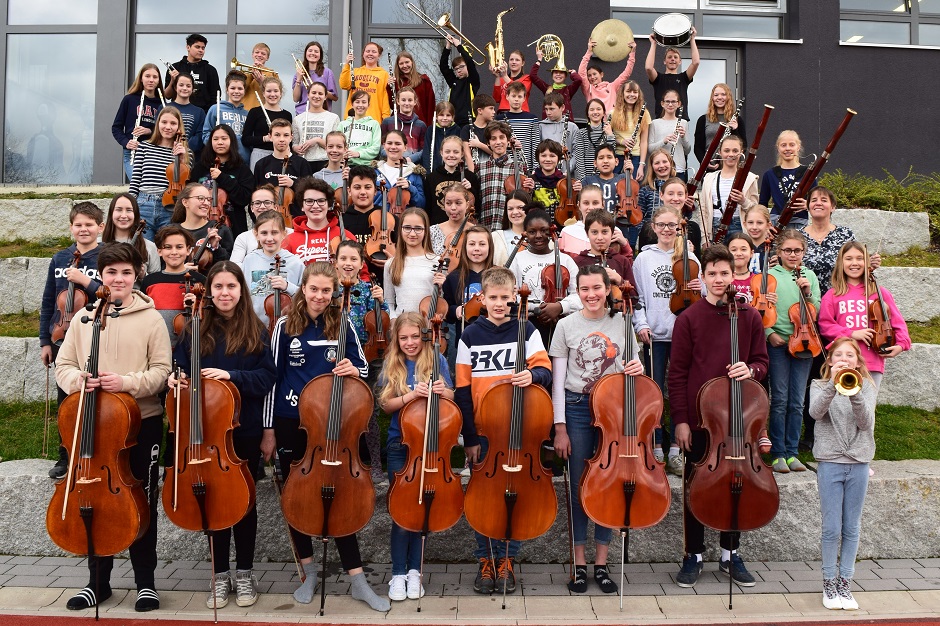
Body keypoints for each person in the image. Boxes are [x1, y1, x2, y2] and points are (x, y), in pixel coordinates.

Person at [263, 261, 390, 612]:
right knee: (298, 499)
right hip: (294, 421)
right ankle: (309, 573)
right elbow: (273, 378)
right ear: (303, 288)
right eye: (314, 289)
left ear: (334, 292)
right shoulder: (285, 325)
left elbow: (364, 367)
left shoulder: (344, 322)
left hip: (337, 425)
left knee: (343, 497)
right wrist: (269, 429)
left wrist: (353, 367)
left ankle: (358, 580)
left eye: (326, 290)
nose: (320, 296)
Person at [57, 242, 172, 612]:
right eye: (111, 273)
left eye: (125, 272)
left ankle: (146, 583)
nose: (118, 279)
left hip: (141, 423)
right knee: (95, 500)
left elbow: (160, 373)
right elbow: (64, 367)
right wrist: (79, 382)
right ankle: (97, 582)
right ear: (101, 277)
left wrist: (125, 383)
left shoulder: (152, 319)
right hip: (94, 423)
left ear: (136, 274)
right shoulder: (84, 318)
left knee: (143, 502)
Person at [168, 261, 276, 609]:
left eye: (231, 286)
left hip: (242, 430)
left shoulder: (256, 330)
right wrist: (176, 378)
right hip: (203, 433)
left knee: (243, 503)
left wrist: (231, 376)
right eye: (218, 287)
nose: (225, 293)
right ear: (209, 292)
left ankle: (244, 573)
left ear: (241, 290)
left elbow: (267, 379)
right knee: (211, 500)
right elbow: (180, 369)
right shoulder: (193, 329)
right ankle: (218, 575)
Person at [668, 244, 768, 589]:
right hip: (700, 420)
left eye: (724, 273)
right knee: (695, 485)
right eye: (711, 274)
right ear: (702, 277)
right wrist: (680, 419)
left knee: (736, 483)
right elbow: (677, 374)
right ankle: (693, 554)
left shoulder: (749, 316)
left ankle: (730, 553)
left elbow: (763, 362)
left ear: (732, 275)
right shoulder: (688, 319)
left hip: (738, 419)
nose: (718, 279)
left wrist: (750, 369)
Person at [455, 266, 552, 594]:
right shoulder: (469, 335)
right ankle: (485, 560)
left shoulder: (527, 330)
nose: (499, 303)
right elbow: (462, 391)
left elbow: (545, 369)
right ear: (481, 298)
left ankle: (508, 559)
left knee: (515, 494)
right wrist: (468, 437)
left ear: (515, 297)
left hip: (519, 430)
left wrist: (533, 376)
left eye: (504, 298)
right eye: (492, 297)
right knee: (483, 497)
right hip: (484, 433)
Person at [550, 264, 642, 594]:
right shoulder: (565, 326)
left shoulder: (622, 320)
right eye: (585, 289)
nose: (591, 295)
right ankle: (579, 565)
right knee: (578, 486)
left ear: (607, 290)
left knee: (608, 484)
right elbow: (558, 384)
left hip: (613, 410)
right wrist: (560, 427)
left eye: (597, 289)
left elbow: (634, 368)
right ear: (578, 291)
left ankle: (601, 564)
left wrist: (637, 365)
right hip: (576, 408)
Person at [376, 312, 454, 601]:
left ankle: (414, 572)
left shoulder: (437, 360)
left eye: (414, 337)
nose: (409, 343)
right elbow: (385, 405)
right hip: (402, 447)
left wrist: (441, 391)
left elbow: (452, 396)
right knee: (401, 513)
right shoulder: (393, 365)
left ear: (424, 336)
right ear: (397, 339)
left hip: (431, 447)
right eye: (403, 337)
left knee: (422, 513)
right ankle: (397, 573)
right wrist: (410, 395)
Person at [809, 337, 876, 611]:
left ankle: (845, 582)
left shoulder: (868, 387)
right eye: (839, 355)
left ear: (858, 362)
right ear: (830, 361)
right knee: (831, 528)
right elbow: (815, 413)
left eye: (850, 355)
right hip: (830, 462)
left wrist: (855, 392)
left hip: (859, 462)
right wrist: (832, 388)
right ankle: (828, 581)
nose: (844, 359)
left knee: (852, 527)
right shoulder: (818, 385)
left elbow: (866, 422)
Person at [633, 200, 702, 467]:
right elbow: (638, 297)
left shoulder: (690, 255)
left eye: (671, 225)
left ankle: (676, 447)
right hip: (655, 334)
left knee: (681, 391)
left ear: (679, 227)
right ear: (653, 227)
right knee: (654, 391)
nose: (666, 229)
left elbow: (701, 294)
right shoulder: (644, 258)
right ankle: (656, 443)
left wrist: (702, 287)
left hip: (683, 335)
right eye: (661, 225)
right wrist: (641, 325)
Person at [39, 202, 104, 479]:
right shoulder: (59, 259)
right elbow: (47, 302)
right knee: (64, 398)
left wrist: (84, 281)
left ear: (100, 227)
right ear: (71, 228)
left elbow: (110, 292)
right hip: (61, 337)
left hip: (95, 335)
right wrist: (45, 340)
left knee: (96, 397)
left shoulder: (106, 257)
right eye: (78, 224)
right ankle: (65, 455)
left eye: (89, 224)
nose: (84, 229)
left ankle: (96, 452)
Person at [818, 242, 909, 389]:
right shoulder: (832, 295)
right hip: (842, 362)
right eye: (849, 258)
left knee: (866, 409)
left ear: (867, 263)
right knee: (840, 408)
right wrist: (852, 333)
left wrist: (901, 344)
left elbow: (898, 323)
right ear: (841, 263)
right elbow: (825, 326)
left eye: (859, 258)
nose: (854, 263)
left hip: (872, 361)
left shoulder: (880, 292)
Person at [766, 229, 820, 473]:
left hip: (804, 343)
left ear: (804, 252)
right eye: (787, 250)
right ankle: (778, 453)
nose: (792, 254)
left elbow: (816, 309)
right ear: (779, 252)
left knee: (797, 401)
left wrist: (807, 292)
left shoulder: (810, 276)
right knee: (779, 399)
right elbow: (761, 309)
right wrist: (770, 334)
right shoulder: (770, 275)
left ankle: (792, 451)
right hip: (779, 343)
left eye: (797, 250)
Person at [333, 239, 387, 484]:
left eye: (353, 259)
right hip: (334, 356)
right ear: (335, 263)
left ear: (361, 264)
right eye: (343, 259)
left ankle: (374, 462)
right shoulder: (329, 289)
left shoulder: (367, 290)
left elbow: (381, 322)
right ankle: (343, 459)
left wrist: (380, 300)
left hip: (366, 356)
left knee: (368, 410)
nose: (348, 263)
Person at [508, 209, 581, 343]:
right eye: (532, 231)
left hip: (563, 322)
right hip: (528, 323)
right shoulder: (517, 259)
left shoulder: (566, 260)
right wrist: (540, 309)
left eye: (543, 230)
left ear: (551, 230)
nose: (538, 235)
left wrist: (560, 307)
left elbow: (579, 295)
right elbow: (511, 296)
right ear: (525, 233)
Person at [129, 107, 190, 241]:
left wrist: (182, 159)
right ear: (158, 124)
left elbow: (185, 183)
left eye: (173, 123)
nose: (168, 127)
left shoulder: (184, 152)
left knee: (167, 249)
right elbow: (135, 180)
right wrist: (130, 206)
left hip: (169, 206)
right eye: (164, 122)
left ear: (179, 127)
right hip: (144, 203)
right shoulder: (144, 147)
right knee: (143, 252)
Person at [140, 225, 205, 345]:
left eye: (179, 247)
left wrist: (198, 305)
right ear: (159, 251)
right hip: (157, 344)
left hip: (191, 344)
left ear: (188, 250)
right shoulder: (150, 281)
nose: (174, 252)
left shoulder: (200, 280)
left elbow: (208, 314)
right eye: (168, 247)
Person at [241, 210, 304, 328]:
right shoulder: (250, 260)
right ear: (256, 234)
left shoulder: (295, 263)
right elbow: (244, 293)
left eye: (274, 232)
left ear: (284, 234)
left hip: (288, 326)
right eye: (264, 233)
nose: (269, 238)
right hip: (255, 326)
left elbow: (305, 296)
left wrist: (287, 286)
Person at [442, 225, 494, 368]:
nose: (476, 248)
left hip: (493, 338)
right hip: (465, 339)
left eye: (482, 244)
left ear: (490, 247)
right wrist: (456, 310)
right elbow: (447, 309)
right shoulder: (454, 277)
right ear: (465, 247)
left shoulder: (497, 275)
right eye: (472, 244)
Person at [189, 125, 254, 238]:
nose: (220, 142)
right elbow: (189, 194)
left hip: (233, 226)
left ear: (232, 141)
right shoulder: (200, 167)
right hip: (201, 225)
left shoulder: (242, 169)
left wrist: (222, 178)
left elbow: (244, 198)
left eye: (224, 139)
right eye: (215, 139)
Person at [699, 134, 758, 243]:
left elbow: (756, 210)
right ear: (720, 152)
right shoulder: (709, 178)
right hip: (715, 226)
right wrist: (704, 239)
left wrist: (743, 201)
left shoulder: (750, 178)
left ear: (741, 153)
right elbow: (703, 211)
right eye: (726, 151)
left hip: (740, 226)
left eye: (735, 151)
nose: (731, 154)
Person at [283, 177, 354, 265]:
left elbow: (362, 273)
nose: (315, 205)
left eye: (321, 201)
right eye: (309, 201)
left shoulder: (345, 236)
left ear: (329, 205)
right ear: (302, 206)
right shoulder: (289, 240)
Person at [384, 207, 439, 318]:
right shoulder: (391, 264)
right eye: (407, 228)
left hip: (428, 325)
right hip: (402, 325)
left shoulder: (437, 261)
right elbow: (388, 301)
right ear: (401, 229)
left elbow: (442, 300)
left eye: (418, 229)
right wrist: (393, 319)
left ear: (425, 231)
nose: (412, 233)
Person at [252, 119, 313, 217]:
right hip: (267, 219)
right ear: (270, 137)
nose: (281, 139)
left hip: (295, 219)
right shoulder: (261, 164)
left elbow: (311, 193)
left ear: (291, 138)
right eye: (277, 135)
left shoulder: (302, 163)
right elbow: (255, 195)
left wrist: (293, 183)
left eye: (286, 135)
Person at [113, 64, 163, 181]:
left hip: (153, 151)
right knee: (138, 186)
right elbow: (116, 127)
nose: (151, 80)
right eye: (147, 76)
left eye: (155, 77)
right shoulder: (129, 99)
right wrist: (126, 142)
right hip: (133, 152)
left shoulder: (162, 103)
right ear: (141, 78)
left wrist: (149, 131)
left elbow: (165, 130)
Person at [569, 208, 636, 295]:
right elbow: (573, 295)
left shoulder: (622, 261)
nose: (600, 237)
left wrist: (619, 280)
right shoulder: (577, 262)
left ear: (612, 233)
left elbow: (634, 298)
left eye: (604, 232)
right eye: (594, 232)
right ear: (587, 233)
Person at [423, 134, 480, 225]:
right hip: (439, 225)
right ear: (441, 153)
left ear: (462, 154)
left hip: (464, 225)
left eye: (456, 152)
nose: (451, 155)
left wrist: (470, 190)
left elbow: (477, 205)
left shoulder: (470, 177)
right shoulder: (431, 178)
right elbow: (428, 207)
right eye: (447, 152)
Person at [758, 130, 811, 228]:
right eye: (783, 145)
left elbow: (815, 198)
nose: (787, 148)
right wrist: (765, 224)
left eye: (792, 145)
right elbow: (762, 203)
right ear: (778, 148)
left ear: (798, 147)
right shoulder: (769, 174)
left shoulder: (808, 173)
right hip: (776, 221)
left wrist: (808, 205)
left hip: (799, 222)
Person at [170, 182, 235, 261]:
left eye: (209, 199)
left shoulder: (220, 230)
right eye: (201, 198)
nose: (207, 203)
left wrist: (216, 248)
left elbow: (229, 264)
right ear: (185, 202)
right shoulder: (171, 231)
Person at [230, 184, 293, 264]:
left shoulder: (291, 234)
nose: (262, 206)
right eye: (257, 203)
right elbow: (235, 266)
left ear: (276, 207)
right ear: (251, 208)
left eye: (267, 202)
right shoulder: (243, 238)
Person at [476, 121, 521, 231]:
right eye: (494, 139)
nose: (498, 142)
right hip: (485, 227)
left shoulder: (518, 167)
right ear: (488, 143)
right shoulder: (480, 167)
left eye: (502, 137)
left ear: (508, 141)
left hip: (508, 228)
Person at [102, 193, 160, 277]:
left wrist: (143, 275)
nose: (124, 215)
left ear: (135, 214)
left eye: (129, 210)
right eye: (119, 210)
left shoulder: (150, 247)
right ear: (111, 213)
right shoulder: (98, 244)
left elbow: (156, 283)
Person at [645, 30, 699, 120]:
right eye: (669, 57)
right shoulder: (658, 78)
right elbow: (648, 68)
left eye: (675, 57)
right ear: (664, 61)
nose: (672, 59)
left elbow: (696, 62)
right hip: (661, 120)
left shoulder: (684, 78)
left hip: (681, 120)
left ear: (680, 61)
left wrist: (692, 39)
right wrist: (653, 44)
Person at [242, 76, 293, 170]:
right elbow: (245, 139)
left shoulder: (287, 115)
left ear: (281, 93)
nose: (272, 94)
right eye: (269, 91)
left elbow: (289, 142)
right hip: (260, 155)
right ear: (263, 93)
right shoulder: (255, 112)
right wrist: (265, 138)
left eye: (276, 91)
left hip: (281, 155)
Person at [694, 83, 746, 170]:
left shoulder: (737, 120)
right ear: (712, 98)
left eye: (723, 94)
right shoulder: (703, 120)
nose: (719, 97)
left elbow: (743, 146)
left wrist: (735, 130)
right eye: (716, 95)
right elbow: (698, 147)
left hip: (730, 166)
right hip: (710, 166)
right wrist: (704, 162)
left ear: (728, 97)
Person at [202, 71, 250, 164]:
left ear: (244, 91)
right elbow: (206, 134)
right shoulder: (216, 108)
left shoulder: (247, 114)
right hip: (221, 160)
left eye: (240, 88)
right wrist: (219, 148)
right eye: (232, 88)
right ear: (227, 90)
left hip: (242, 160)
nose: (236, 91)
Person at [165, 34, 221, 112]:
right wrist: (173, 80)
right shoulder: (175, 67)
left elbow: (215, 97)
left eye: (203, 48)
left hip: (203, 115)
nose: (201, 50)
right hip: (177, 113)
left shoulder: (210, 70)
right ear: (188, 47)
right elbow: (167, 96)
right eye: (197, 47)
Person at [579, 38, 636, 114]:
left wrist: (632, 53)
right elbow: (581, 73)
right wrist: (589, 51)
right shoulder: (588, 89)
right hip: (595, 122)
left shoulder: (612, 86)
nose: (592, 77)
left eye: (594, 74)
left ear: (601, 74)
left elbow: (626, 74)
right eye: (589, 75)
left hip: (612, 123)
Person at [340, 42, 392, 123]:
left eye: (374, 52)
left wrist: (386, 119)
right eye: (367, 51)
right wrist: (347, 64)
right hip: (353, 118)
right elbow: (344, 85)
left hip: (373, 120)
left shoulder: (384, 74)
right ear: (363, 54)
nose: (370, 54)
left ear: (379, 56)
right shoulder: (355, 71)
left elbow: (385, 99)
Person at [374, 130, 426, 210]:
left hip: (403, 219)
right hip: (377, 218)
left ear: (405, 147)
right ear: (384, 146)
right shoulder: (374, 172)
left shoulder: (414, 173)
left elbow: (421, 204)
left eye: (398, 144)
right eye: (389, 143)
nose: (393, 147)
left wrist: (411, 188)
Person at [647, 90, 690, 181]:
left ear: (679, 104)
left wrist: (683, 137)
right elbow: (650, 149)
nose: (670, 104)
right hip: (660, 168)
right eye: (667, 101)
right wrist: (664, 141)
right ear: (662, 103)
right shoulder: (655, 123)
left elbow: (687, 150)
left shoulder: (683, 123)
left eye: (674, 101)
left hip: (678, 168)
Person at [529, 47, 582, 121]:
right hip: (549, 124)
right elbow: (532, 76)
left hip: (565, 124)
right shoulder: (547, 88)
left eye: (561, 73)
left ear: (565, 76)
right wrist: (539, 59)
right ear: (552, 75)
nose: (558, 75)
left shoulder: (568, 90)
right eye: (556, 72)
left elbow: (578, 80)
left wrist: (572, 73)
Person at [611, 81, 650, 177]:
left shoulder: (644, 113)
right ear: (622, 93)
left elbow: (644, 141)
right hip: (617, 156)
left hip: (635, 157)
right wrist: (622, 141)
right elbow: (608, 137)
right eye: (628, 91)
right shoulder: (612, 113)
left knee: (634, 188)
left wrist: (641, 165)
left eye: (635, 92)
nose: (632, 94)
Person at [439, 35, 480, 127]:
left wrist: (459, 46)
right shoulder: (453, 81)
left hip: (469, 121)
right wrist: (448, 47)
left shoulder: (472, 80)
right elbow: (443, 67)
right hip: (454, 122)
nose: (459, 70)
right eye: (456, 69)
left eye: (461, 67)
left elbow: (469, 61)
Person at [498, 81, 540, 170]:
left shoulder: (532, 119)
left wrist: (536, 168)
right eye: (513, 96)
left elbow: (535, 145)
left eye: (519, 96)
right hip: (504, 166)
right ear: (507, 97)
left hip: (526, 166)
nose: (516, 99)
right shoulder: (499, 119)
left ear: (524, 98)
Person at [380, 87, 427, 164]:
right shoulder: (387, 122)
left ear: (415, 102)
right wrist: (395, 156)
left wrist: (409, 159)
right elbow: (382, 146)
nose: (407, 103)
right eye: (403, 100)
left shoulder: (421, 125)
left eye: (410, 100)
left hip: (411, 165)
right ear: (398, 101)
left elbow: (424, 149)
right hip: (390, 163)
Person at [389, 51, 436, 127]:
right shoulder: (396, 82)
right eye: (401, 63)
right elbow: (392, 105)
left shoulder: (423, 81)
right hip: (400, 123)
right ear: (398, 66)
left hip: (419, 124)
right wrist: (389, 87)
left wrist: (429, 126)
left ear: (412, 62)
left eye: (407, 62)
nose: (405, 65)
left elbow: (430, 106)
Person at [573, 99, 615, 180]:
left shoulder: (609, 131)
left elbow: (611, 153)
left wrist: (610, 135)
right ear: (588, 114)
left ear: (603, 113)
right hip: (586, 177)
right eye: (592, 110)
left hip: (604, 177)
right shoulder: (581, 133)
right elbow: (579, 159)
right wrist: (583, 180)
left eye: (598, 109)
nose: (595, 112)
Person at [165, 73, 207, 154]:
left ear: (192, 89)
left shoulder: (199, 112)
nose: (185, 88)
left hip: (188, 154)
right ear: (175, 87)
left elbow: (200, 136)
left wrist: (185, 147)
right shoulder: (164, 108)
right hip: (166, 152)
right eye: (181, 85)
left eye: (188, 86)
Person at [292, 41, 338, 115]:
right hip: (302, 113)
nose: (313, 53)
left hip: (321, 113)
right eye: (310, 51)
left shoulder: (327, 72)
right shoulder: (299, 73)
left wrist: (318, 90)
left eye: (316, 51)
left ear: (320, 55)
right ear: (306, 54)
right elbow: (295, 99)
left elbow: (335, 97)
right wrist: (298, 80)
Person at [337, 90, 382, 166]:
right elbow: (337, 144)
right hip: (347, 165)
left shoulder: (374, 124)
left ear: (368, 105)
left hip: (367, 166)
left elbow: (376, 148)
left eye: (364, 102)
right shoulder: (343, 124)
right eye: (357, 102)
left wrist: (359, 154)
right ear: (352, 104)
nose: (360, 105)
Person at [579, 145, 622, 219]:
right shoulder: (588, 180)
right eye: (601, 158)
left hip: (619, 223)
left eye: (609, 157)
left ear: (616, 161)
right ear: (595, 163)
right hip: (594, 221)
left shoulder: (622, 178)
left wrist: (629, 174)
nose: (605, 161)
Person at [530, 139, 568, 223]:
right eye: (543, 155)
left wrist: (577, 190)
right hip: (537, 225)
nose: (548, 159)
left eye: (552, 156)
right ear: (538, 158)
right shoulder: (531, 180)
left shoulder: (564, 182)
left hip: (560, 225)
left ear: (558, 158)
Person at [538, 93, 578, 172]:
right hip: (546, 173)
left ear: (562, 107)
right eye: (546, 109)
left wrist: (568, 170)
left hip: (566, 174)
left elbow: (577, 152)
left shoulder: (572, 127)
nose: (548, 112)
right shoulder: (540, 126)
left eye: (552, 109)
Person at [430, 182, 472, 256]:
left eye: (458, 203)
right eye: (448, 203)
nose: (453, 208)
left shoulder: (475, 231)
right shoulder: (433, 231)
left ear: (467, 205)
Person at [491, 191, 531, 266]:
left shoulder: (540, 238)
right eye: (510, 209)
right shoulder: (495, 237)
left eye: (520, 208)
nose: (515, 212)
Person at [420, 101, 461, 175]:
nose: (444, 118)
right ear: (436, 116)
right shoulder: (431, 130)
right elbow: (426, 151)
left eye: (448, 115)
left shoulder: (457, 129)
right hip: (434, 170)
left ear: (453, 117)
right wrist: (427, 170)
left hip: (453, 170)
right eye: (441, 115)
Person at [461, 94, 497, 172]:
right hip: (472, 170)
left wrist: (478, 144)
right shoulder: (466, 129)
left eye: (494, 109)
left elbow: (496, 152)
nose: (494, 112)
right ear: (480, 110)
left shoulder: (493, 129)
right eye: (491, 109)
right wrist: (473, 175)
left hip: (491, 170)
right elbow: (467, 155)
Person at [240, 42, 279, 111]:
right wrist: (251, 75)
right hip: (245, 110)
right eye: (257, 52)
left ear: (267, 57)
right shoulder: (244, 73)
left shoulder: (272, 74)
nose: (259, 55)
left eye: (263, 54)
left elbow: (276, 94)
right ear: (252, 55)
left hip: (264, 110)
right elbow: (240, 89)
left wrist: (262, 82)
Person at [727, 232, 758, 304]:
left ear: (751, 253)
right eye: (734, 250)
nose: (738, 254)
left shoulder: (758, 280)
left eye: (743, 249)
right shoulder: (723, 279)